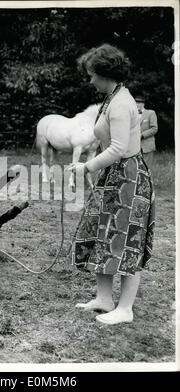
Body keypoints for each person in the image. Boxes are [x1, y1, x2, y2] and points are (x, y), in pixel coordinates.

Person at [68, 44, 155, 325]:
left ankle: (125, 309)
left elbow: (117, 147)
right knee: (101, 233)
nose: (90, 79)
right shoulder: (112, 96)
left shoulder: (120, 103)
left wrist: (86, 166)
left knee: (127, 238)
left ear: (106, 74)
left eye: (93, 74)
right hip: (113, 175)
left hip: (128, 177)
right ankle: (105, 298)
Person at [135, 95, 158, 169]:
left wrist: (142, 135)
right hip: (134, 147)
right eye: (135, 102)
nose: (136, 104)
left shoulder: (151, 113)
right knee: (136, 169)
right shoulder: (132, 115)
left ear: (143, 104)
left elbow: (154, 128)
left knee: (146, 169)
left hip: (147, 146)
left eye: (139, 103)